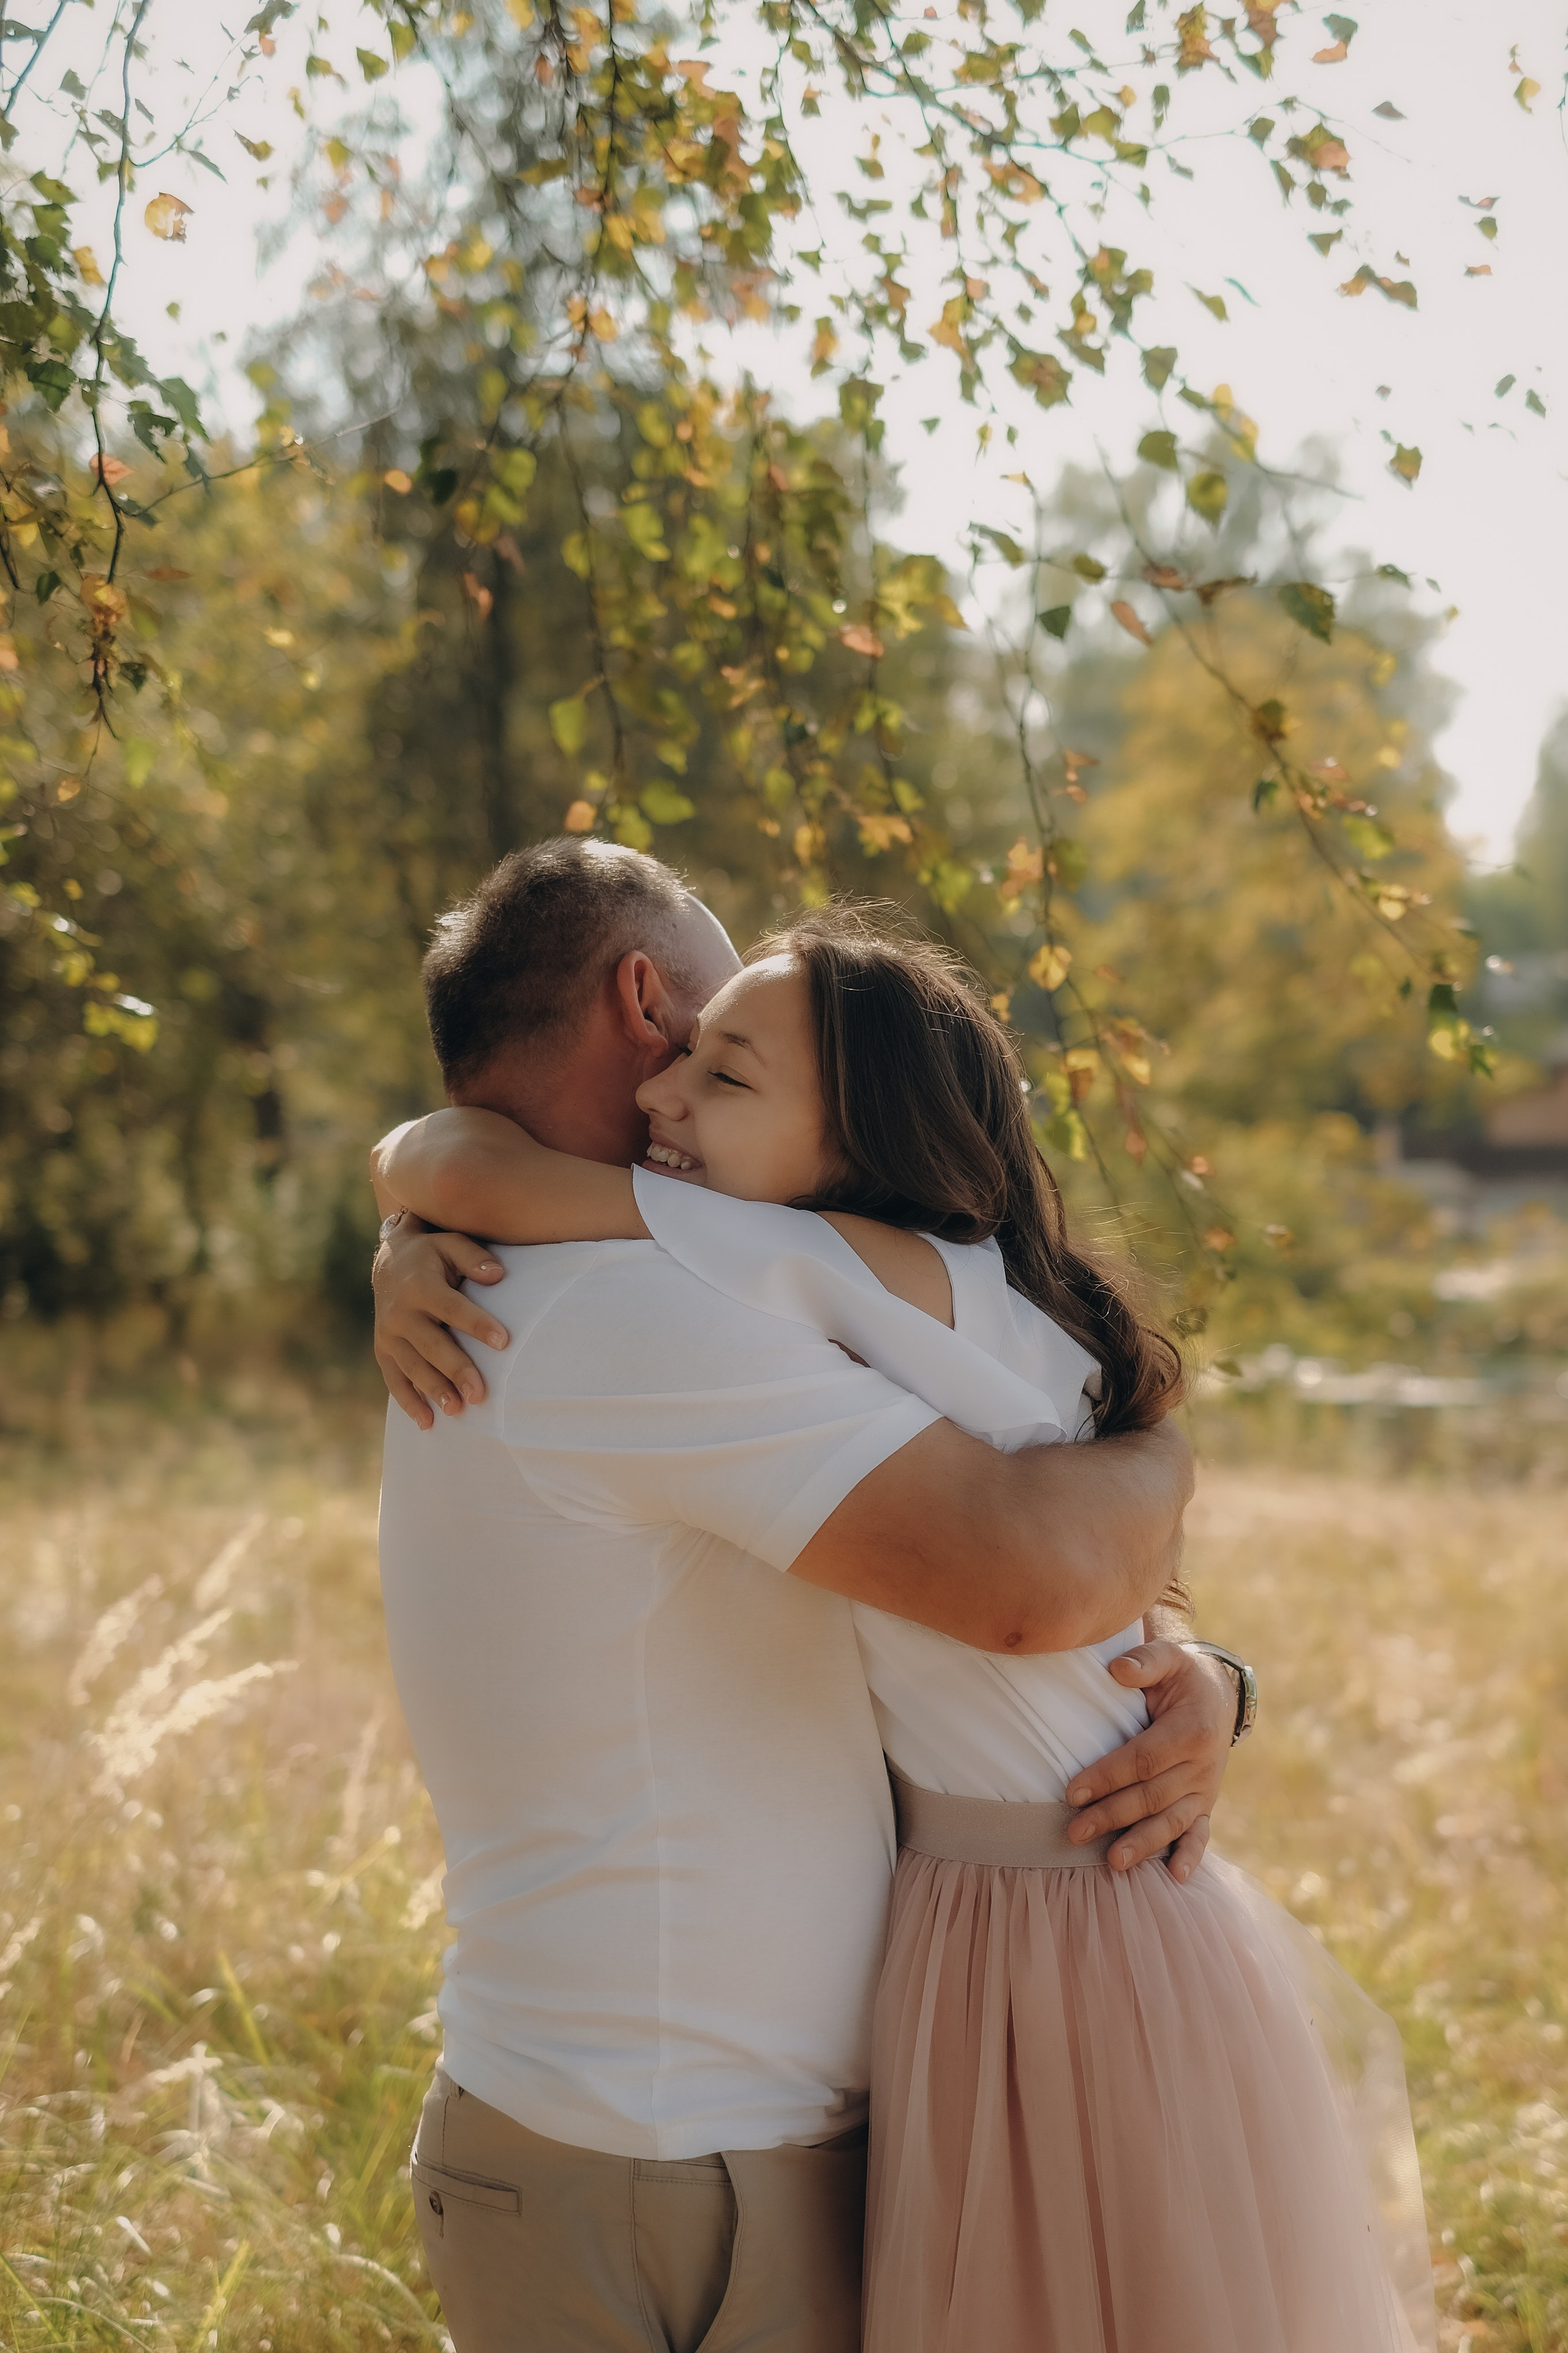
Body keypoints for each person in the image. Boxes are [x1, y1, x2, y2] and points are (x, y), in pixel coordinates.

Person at [375, 899, 1436, 2353]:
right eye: (689, 1047)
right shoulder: (717, 1299)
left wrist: (1194, 1643)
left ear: (857, 1143)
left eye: (724, 1073)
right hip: (779, 2079)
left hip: (1030, 1944)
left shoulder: (797, 1273)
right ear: (640, 995)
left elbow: (462, 1160)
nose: (671, 1095)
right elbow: (1028, 1578)